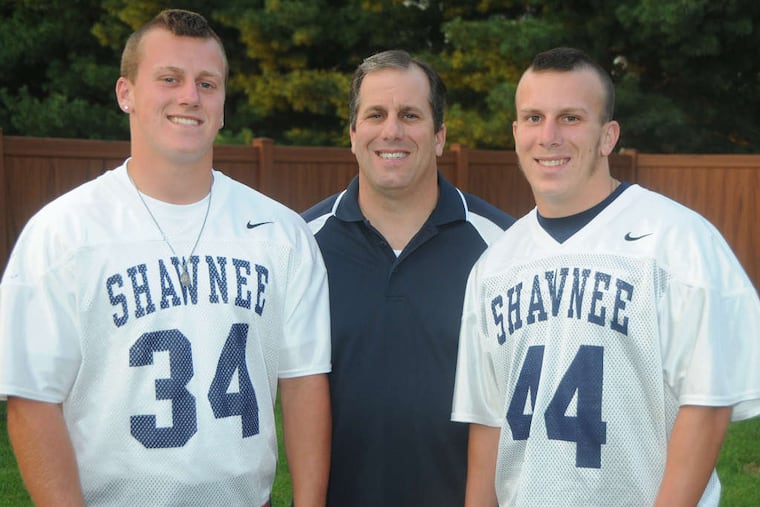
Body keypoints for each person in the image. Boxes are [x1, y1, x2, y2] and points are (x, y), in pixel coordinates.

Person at [0, 9, 331, 507]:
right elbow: (33, 402)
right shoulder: (63, 232)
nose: (190, 97)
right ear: (125, 93)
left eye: (207, 83)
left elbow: (305, 384)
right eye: (169, 79)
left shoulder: (281, 233)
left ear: (224, 104)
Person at [452, 46, 760, 506]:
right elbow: (487, 423)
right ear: (516, 132)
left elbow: (707, 404)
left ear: (608, 135)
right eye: (533, 118)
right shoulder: (494, 265)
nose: (549, 136)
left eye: (571, 118)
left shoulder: (679, 242)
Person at [302, 49, 514, 507]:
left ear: (439, 136)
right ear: (353, 134)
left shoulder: (506, 249)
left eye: (410, 115)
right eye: (375, 114)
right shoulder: (301, 248)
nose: (392, 130)